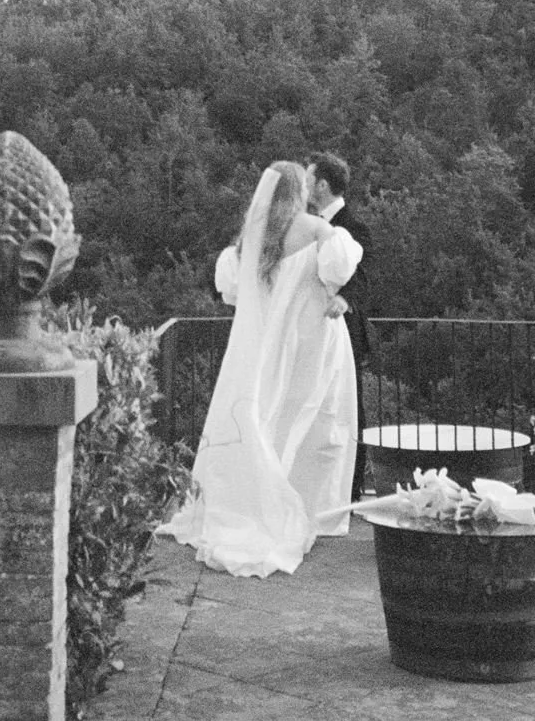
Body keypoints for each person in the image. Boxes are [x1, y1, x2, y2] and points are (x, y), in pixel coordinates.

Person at [156, 160, 363, 577]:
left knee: (259, 416)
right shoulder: (318, 230)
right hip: (308, 340)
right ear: (299, 191)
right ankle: (310, 507)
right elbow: (337, 272)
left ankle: (245, 501)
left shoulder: (250, 238)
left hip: (259, 344)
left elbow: (232, 293)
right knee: (313, 419)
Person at [306, 153, 374, 499]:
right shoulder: (307, 223)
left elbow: (365, 273)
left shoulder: (354, 225)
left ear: (322, 185)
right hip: (310, 329)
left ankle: (351, 486)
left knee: (349, 409)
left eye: (309, 178)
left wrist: (345, 299)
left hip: (344, 329)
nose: (304, 185)